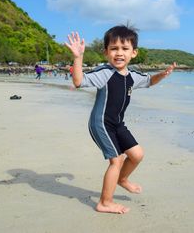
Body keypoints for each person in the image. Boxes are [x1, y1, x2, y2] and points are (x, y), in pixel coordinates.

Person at [65, 25, 176, 214]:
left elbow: (149, 81)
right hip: (101, 124)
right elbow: (78, 81)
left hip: (118, 124)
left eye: (124, 49)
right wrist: (78, 57)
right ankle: (104, 202)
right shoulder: (104, 73)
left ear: (134, 53)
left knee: (137, 155)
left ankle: (122, 180)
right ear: (106, 52)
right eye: (114, 48)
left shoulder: (132, 75)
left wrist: (162, 75)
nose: (119, 53)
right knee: (116, 161)